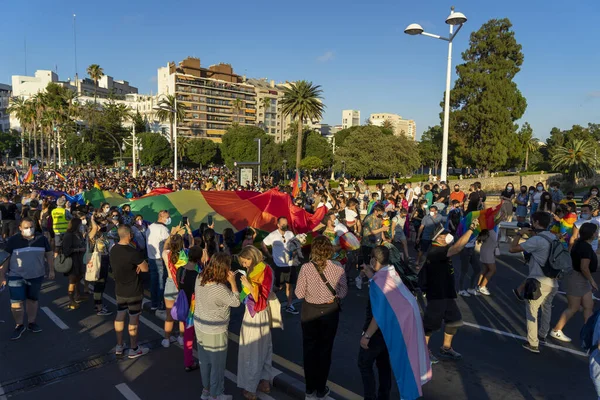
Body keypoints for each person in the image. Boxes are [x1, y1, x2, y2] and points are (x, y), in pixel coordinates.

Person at [296, 236, 348, 399]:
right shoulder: (338, 267)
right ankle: (320, 388)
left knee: (309, 350)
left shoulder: (306, 268)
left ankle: (309, 389)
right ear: (329, 250)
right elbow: (344, 290)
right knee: (325, 350)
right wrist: (335, 296)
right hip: (329, 311)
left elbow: (298, 293)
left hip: (309, 311)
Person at [423, 220, 479, 363]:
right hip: (437, 294)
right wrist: (471, 228)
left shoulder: (442, 249)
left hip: (447, 293)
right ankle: (423, 351)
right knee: (429, 325)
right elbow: (457, 247)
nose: (448, 236)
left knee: (454, 320)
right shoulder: (435, 251)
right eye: (445, 235)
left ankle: (446, 348)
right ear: (438, 238)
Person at [509, 212, 559, 353]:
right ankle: (542, 335)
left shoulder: (537, 240)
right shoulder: (553, 237)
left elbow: (512, 249)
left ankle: (533, 343)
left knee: (532, 310)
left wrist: (519, 234)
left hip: (538, 281)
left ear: (536, 222)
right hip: (553, 281)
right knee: (546, 308)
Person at [194, 253, 241, 400]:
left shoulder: (200, 277)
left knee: (204, 361)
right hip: (215, 330)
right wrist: (233, 282)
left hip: (199, 325)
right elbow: (236, 301)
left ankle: (206, 390)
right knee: (217, 364)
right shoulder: (219, 288)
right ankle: (216, 394)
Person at [0, 217, 54, 340]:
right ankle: (19, 325)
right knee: (16, 303)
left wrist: (51, 269)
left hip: (36, 275)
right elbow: (6, 258)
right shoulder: (13, 240)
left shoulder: (42, 239)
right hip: (16, 275)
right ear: (20, 228)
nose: (29, 229)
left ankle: (31, 323)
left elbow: (49, 254)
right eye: (26, 228)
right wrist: (1, 275)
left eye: (31, 227)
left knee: (32, 300)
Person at [236, 246, 275, 400]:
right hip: (264, 313)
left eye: (245, 262)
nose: (244, 265)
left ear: (251, 258)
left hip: (254, 314)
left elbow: (259, 296)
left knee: (251, 351)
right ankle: (264, 383)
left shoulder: (258, 272)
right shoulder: (267, 268)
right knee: (265, 348)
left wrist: (247, 285)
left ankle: (250, 389)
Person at [550, 223, 598, 342]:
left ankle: (589, 332)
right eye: (596, 231)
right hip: (576, 279)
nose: (598, 233)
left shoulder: (580, 243)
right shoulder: (585, 247)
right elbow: (584, 267)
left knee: (588, 306)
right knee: (574, 307)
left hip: (581, 279)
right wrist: (592, 281)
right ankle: (556, 330)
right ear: (591, 234)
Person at [358, 246, 393, 400]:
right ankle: (384, 396)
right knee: (384, 366)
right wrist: (370, 274)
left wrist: (367, 336)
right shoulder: (390, 274)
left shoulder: (378, 284)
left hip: (376, 333)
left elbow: (378, 315)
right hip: (389, 332)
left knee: (364, 364)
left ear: (374, 260)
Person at [110, 225, 149, 359]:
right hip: (133, 290)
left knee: (120, 314)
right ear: (129, 235)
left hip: (119, 289)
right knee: (133, 318)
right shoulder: (133, 252)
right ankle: (134, 348)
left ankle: (119, 345)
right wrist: (137, 267)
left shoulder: (113, 249)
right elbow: (145, 268)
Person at [262, 217, 297, 315]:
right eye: (283, 224)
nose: (285, 225)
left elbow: (295, 245)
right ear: (278, 225)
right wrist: (269, 255)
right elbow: (263, 244)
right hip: (279, 265)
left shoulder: (290, 234)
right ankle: (265, 300)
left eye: (286, 223)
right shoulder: (273, 235)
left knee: (290, 285)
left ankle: (289, 305)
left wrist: (294, 252)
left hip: (290, 264)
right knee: (278, 287)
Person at [161, 231, 188, 348]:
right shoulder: (186, 254)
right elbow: (190, 246)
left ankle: (166, 339)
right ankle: (182, 337)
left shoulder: (166, 254)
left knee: (169, 315)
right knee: (182, 314)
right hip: (182, 285)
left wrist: (171, 235)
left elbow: (164, 246)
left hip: (170, 284)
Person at [146, 210, 171, 311]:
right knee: (161, 282)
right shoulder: (163, 229)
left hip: (151, 257)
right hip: (160, 259)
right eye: (168, 217)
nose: (169, 219)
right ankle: (161, 303)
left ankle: (154, 303)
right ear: (162, 217)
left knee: (153, 281)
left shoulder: (150, 227)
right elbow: (169, 243)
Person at [62, 218, 88, 309]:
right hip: (72, 261)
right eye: (80, 225)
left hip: (79, 260)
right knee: (72, 280)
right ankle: (71, 300)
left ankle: (78, 295)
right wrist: (78, 249)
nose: (82, 226)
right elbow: (66, 251)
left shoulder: (79, 234)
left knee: (78, 277)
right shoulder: (68, 235)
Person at [476, 229, 498, 296]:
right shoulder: (491, 231)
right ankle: (482, 286)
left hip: (484, 250)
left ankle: (478, 286)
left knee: (484, 270)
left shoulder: (486, 229)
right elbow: (495, 241)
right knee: (492, 270)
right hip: (488, 252)